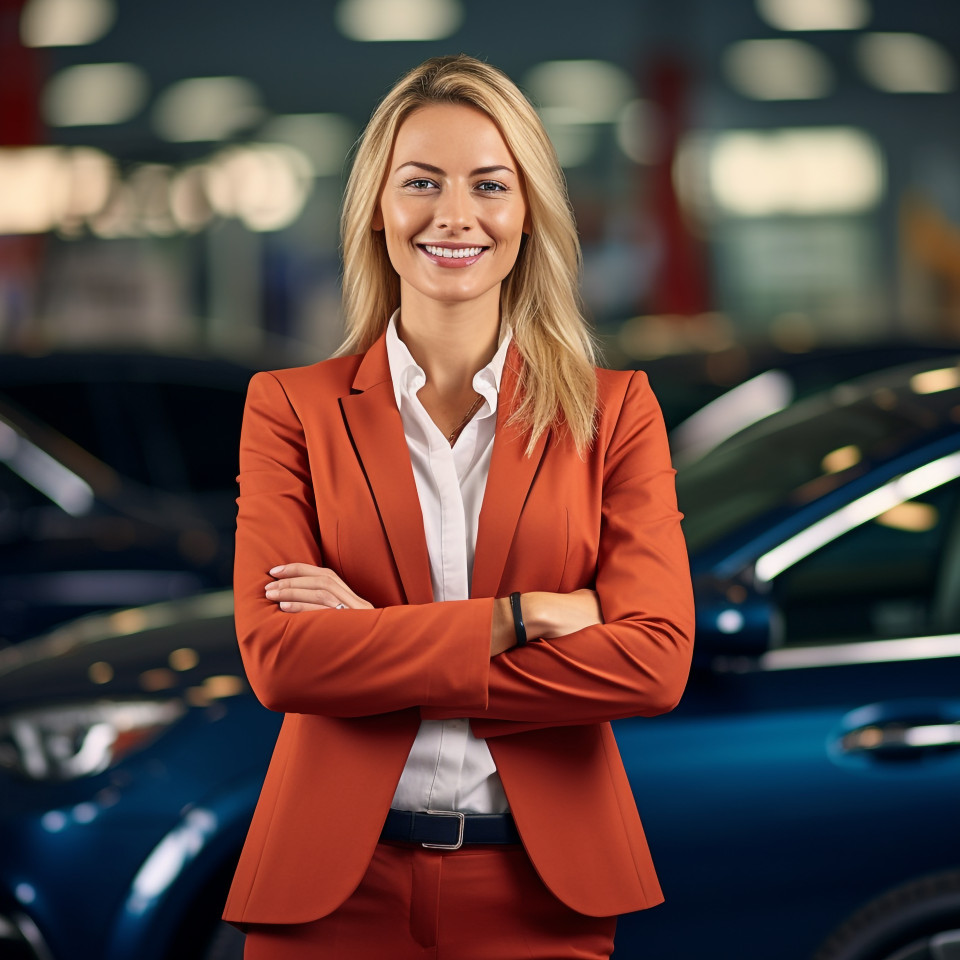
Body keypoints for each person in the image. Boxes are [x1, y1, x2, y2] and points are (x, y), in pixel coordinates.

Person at [224, 54, 695, 960]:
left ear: (529, 213)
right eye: (421, 183)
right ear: (376, 207)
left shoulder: (615, 413)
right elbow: (283, 662)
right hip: (331, 894)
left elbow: (654, 665)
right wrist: (522, 618)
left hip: (538, 893)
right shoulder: (289, 407)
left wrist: (374, 639)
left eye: (489, 184)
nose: (454, 215)